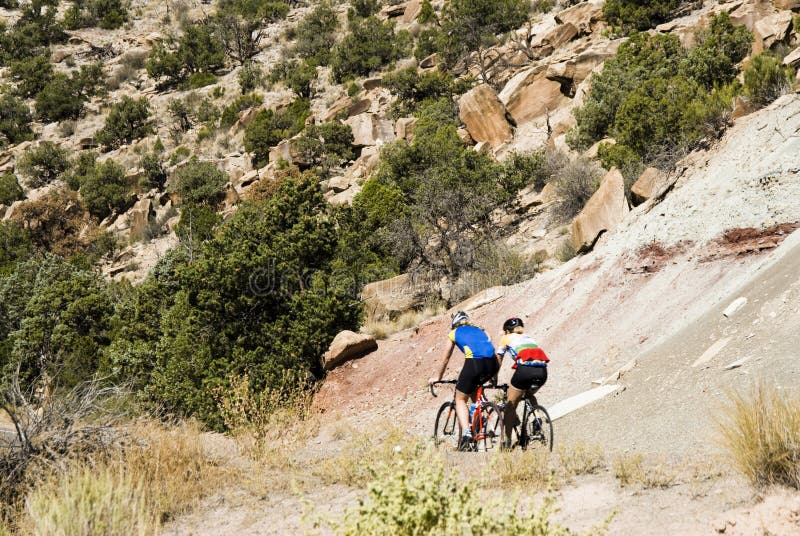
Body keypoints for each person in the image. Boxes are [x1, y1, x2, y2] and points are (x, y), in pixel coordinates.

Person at [429, 311, 499, 451]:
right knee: (474, 391)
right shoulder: (481, 330)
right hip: (493, 364)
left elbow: (445, 358)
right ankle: (482, 416)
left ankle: (466, 433)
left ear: (454, 324)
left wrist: (438, 377)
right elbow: (488, 346)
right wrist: (494, 377)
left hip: (474, 363)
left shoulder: (453, 333)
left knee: (460, 398)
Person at [496, 317, 549, 449]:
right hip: (542, 371)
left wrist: (494, 377)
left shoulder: (506, 338)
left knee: (510, 405)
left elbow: (499, 358)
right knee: (528, 394)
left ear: (507, 331)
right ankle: (536, 418)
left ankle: (507, 442)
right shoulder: (529, 338)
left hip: (525, 371)